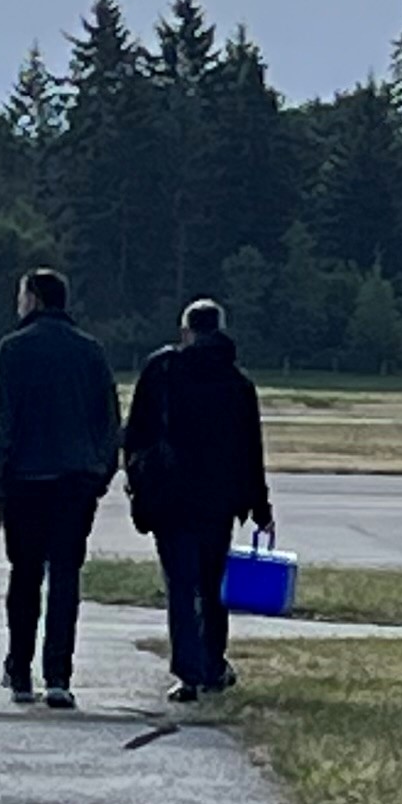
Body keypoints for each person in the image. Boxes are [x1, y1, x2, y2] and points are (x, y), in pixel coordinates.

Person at [0, 267, 118, 708]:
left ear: (33, 299)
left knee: (24, 576)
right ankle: (59, 674)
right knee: (65, 578)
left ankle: (19, 671)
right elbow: (109, 421)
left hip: (25, 481)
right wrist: (101, 474)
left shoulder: (12, 349)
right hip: (76, 480)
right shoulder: (90, 351)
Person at [122, 298, 274, 702]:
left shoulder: (162, 370)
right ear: (221, 329)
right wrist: (261, 507)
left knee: (180, 585)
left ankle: (187, 673)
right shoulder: (238, 383)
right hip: (219, 500)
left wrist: (138, 482)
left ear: (186, 330)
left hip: (170, 496)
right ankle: (212, 664)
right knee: (211, 585)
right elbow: (250, 450)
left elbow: (135, 432)